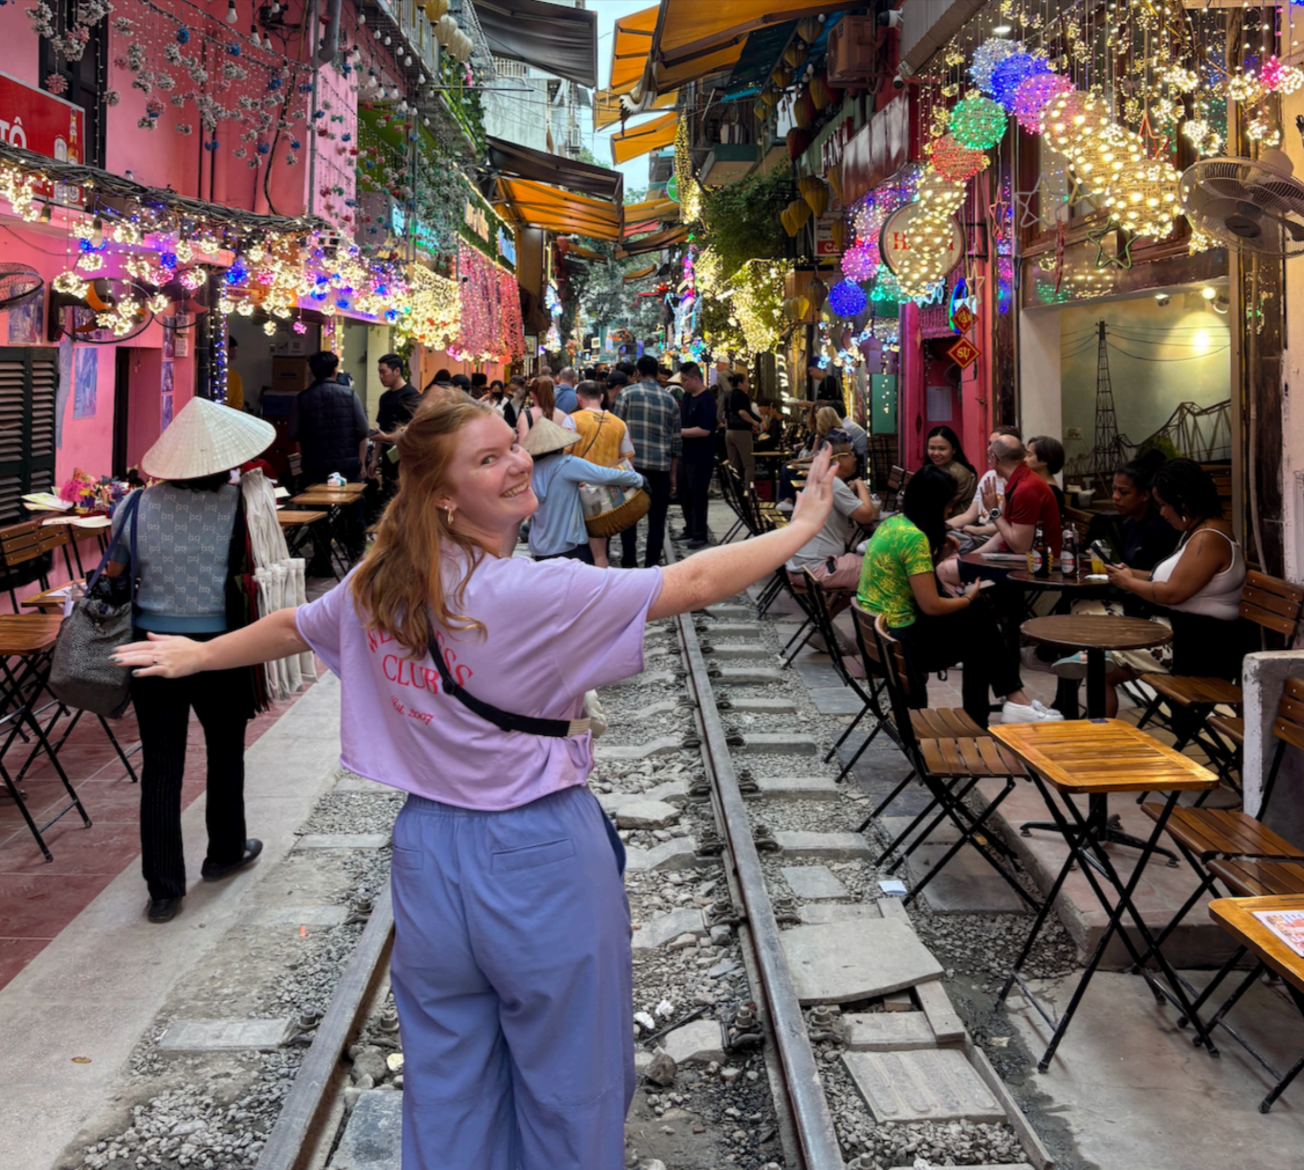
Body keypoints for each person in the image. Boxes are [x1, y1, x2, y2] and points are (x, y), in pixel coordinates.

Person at [112, 398, 838, 1170]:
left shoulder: (382, 584)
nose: (518, 462)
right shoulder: (528, 593)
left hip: (427, 853)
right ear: (444, 496)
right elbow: (688, 583)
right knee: (572, 1075)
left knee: (448, 1073)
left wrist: (197, 654)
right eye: (488, 459)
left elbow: (298, 626)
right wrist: (797, 530)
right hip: (539, 849)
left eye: (510, 446)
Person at [103, 397, 277, 922]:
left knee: (160, 767)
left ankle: (163, 888)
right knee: (225, 749)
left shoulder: (132, 507)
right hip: (219, 649)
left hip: (152, 650)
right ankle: (224, 852)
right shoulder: (239, 506)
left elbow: (116, 571)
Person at [859, 465, 1063, 726]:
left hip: (883, 634)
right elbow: (931, 606)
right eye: (947, 505)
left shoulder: (895, 523)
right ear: (933, 504)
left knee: (977, 626)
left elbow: (912, 583)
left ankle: (1005, 706)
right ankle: (999, 708)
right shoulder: (914, 538)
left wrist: (940, 556)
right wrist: (968, 597)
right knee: (979, 627)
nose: (949, 512)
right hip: (901, 640)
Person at [1094, 458, 1251, 717]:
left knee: (1098, 661)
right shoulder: (1197, 531)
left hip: (1199, 649)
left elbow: (1171, 593)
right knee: (1097, 654)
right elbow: (1169, 581)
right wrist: (1134, 574)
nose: (1162, 512)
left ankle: (1100, 743)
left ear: (1182, 502)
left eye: (1164, 505)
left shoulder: (1209, 538)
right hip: (1187, 638)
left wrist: (1129, 582)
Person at [291, 351, 370, 572]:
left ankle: (322, 559)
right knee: (354, 512)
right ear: (335, 371)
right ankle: (356, 558)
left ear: (312, 373)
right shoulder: (349, 394)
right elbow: (363, 429)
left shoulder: (303, 398)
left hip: (315, 467)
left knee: (319, 515)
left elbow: (293, 433)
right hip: (347, 467)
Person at [524, 418, 642, 563]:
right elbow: (604, 475)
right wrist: (638, 479)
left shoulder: (530, 472)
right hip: (569, 547)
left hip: (540, 549)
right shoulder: (567, 464)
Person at [787, 432, 879, 590]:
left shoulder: (823, 479)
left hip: (798, 566)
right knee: (881, 569)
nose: (855, 458)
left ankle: (828, 614)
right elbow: (868, 516)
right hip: (815, 570)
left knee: (858, 564)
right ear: (838, 459)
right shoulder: (832, 483)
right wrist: (860, 484)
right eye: (850, 454)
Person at [614, 354, 681, 568]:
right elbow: (676, 442)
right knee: (657, 519)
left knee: (628, 517)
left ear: (638, 374)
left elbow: (616, 430)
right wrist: (672, 475)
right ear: (658, 373)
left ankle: (629, 561)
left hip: (632, 467)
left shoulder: (627, 394)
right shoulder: (669, 399)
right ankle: (652, 563)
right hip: (660, 468)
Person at [571, 380, 635, 568]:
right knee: (600, 546)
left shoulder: (573, 420)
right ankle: (602, 586)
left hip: (578, 488)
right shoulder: (619, 424)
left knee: (580, 545)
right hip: (608, 491)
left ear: (578, 398)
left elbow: (564, 455)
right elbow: (628, 461)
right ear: (601, 397)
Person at [976, 434, 1061, 562]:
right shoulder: (1017, 480)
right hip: (1014, 555)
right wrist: (971, 556)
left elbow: (1021, 548)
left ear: (993, 458)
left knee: (944, 571)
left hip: (1037, 565)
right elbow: (1005, 532)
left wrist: (994, 511)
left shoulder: (1025, 489)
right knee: (952, 563)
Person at [946, 425, 1020, 543]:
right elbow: (969, 516)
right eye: (989, 444)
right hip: (977, 534)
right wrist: (940, 526)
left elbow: (1009, 527)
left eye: (995, 445)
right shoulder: (989, 476)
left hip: (994, 538)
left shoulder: (1015, 482)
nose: (989, 449)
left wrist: (977, 531)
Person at [677, 363, 717, 549]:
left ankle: (700, 533)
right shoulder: (686, 397)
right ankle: (689, 528)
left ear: (696, 379)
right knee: (685, 493)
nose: (682, 383)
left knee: (698, 494)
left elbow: (705, 430)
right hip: (685, 453)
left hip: (701, 455)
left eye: (685, 380)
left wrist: (678, 432)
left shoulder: (707, 400)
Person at [371, 354, 421, 491]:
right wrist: (375, 459)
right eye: (379, 372)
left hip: (406, 458)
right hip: (388, 458)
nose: (381, 376)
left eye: (383, 372)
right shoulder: (384, 398)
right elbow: (382, 429)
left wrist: (387, 437)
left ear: (397, 371)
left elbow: (414, 429)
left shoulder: (411, 395)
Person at [921, 425, 977, 520]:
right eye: (932, 448)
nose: (936, 453)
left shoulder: (959, 474)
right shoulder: (935, 468)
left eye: (942, 449)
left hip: (956, 523)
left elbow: (939, 506)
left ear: (954, 450)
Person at [723, 371, 762, 487]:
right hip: (741, 432)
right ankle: (749, 494)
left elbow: (725, 415)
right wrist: (754, 423)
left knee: (734, 464)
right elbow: (742, 412)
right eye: (746, 382)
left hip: (729, 432)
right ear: (740, 383)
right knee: (748, 464)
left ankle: (736, 493)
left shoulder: (729, 395)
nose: (748, 385)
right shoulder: (741, 395)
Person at [516, 376, 577, 443]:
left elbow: (522, 444)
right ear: (553, 393)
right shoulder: (564, 416)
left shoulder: (526, 416)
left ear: (532, 394)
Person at [1025, 434, 1066, 517]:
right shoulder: (1039, 485)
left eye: (1029, 455)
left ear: (1044, 460)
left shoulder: (1052, 492)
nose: (1024, 459)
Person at [225, 335, 244, 413]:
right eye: (230, 355)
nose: (230, 359)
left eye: (232, 357)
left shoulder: (235, 377)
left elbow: (237, 404)